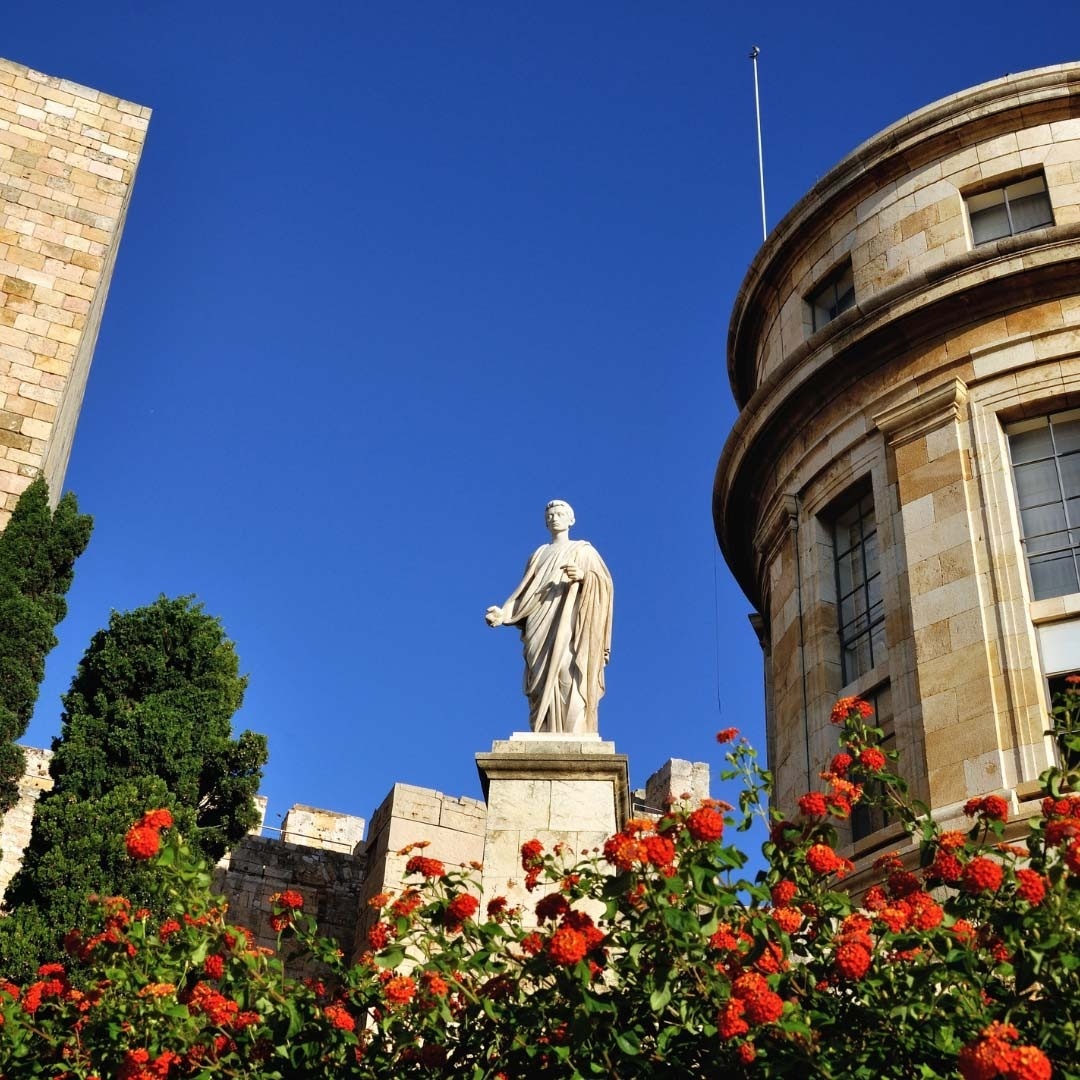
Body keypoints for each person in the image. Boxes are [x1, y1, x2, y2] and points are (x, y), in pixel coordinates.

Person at [486, 500, 613, 734]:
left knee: (568, 671)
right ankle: (545, 729)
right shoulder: (539, 554)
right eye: (550, 515)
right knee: (541, 679)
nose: (554, 518)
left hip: (570, 624)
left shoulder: (583, 551)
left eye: (560, 514)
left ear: (571, 520)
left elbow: (605, 585)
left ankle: (574, 731)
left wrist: (584, 577)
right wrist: (504, 614)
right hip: (539, 623)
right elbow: (526, 592)